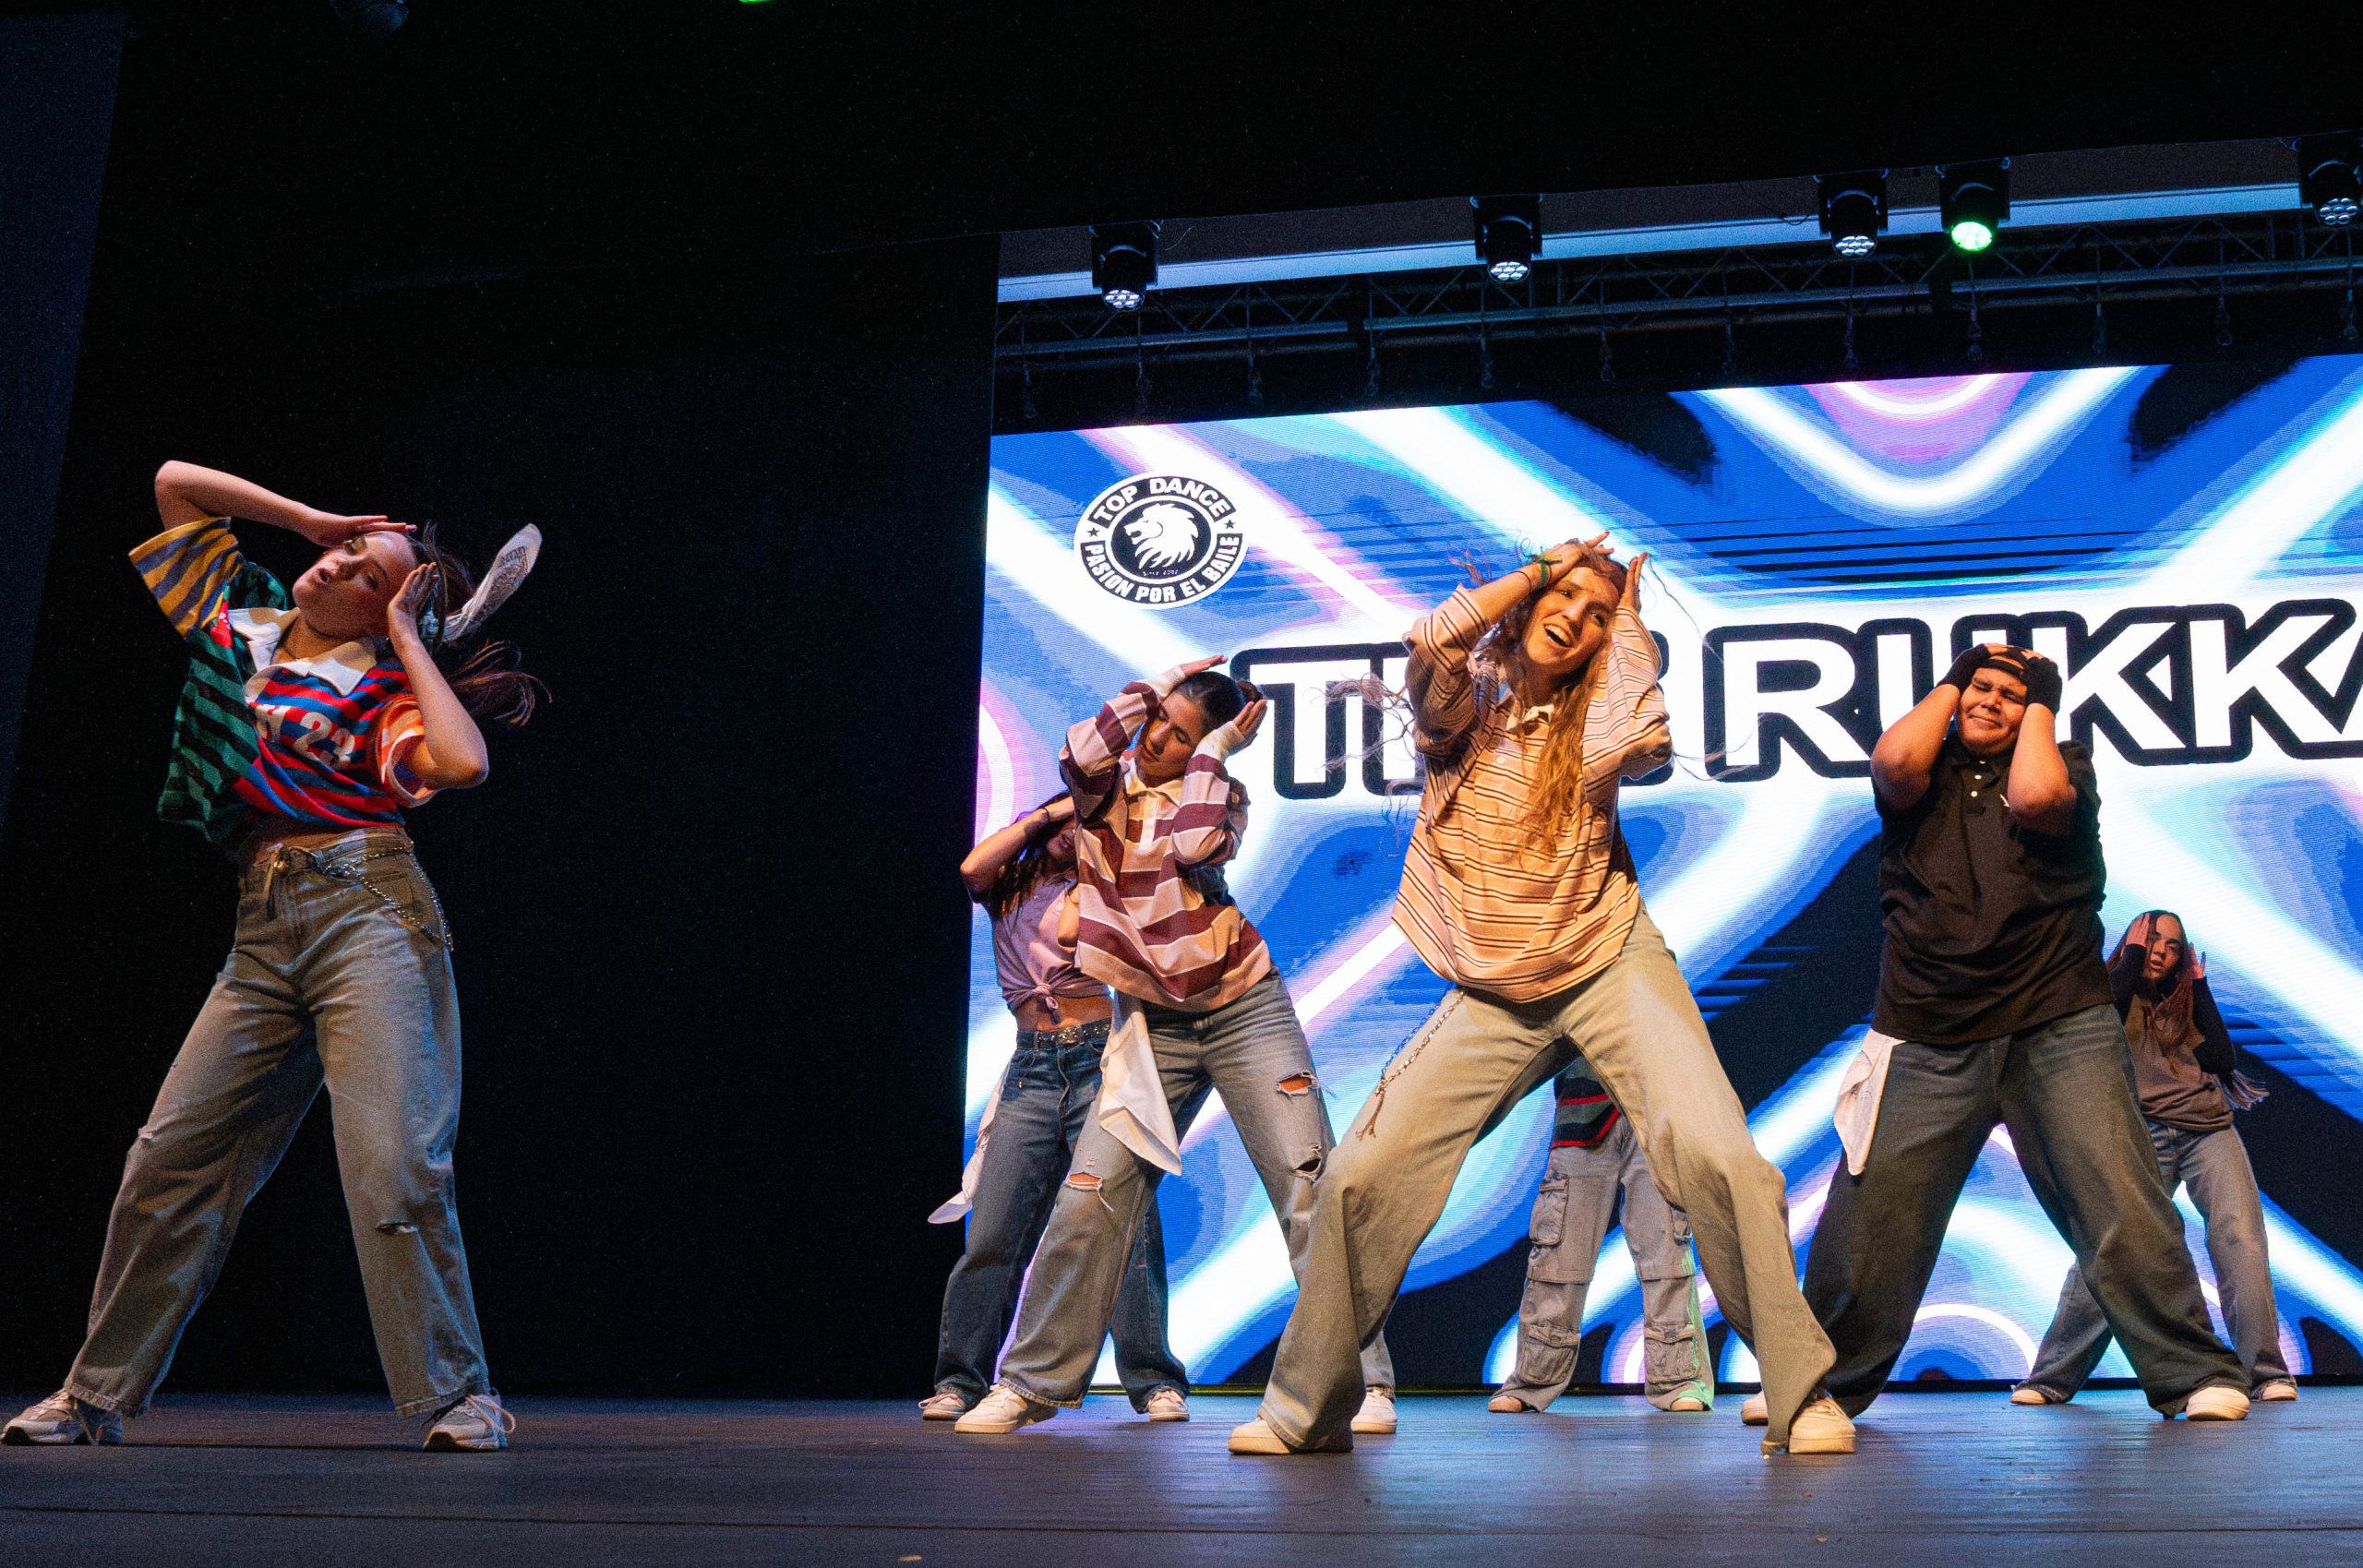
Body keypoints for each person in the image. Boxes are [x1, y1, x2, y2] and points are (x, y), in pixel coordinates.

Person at [1234, 537, 1852, 1457]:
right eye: (1565, 599)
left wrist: (1627, 617)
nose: (1576, 618)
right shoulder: (1465, 707)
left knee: (1719, 1155)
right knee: (1364, 1174)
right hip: (1496, 987)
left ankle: (1801, 1395)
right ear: (1527, 605)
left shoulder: (1595, 713)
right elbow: (1434, 640)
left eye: (1596, 615)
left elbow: (1639, 730)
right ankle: (1304, 1409)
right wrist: (1539, 571)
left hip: (1608, 959)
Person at [4, 461, 541, 1452]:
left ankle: (460, 1394)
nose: (338, 565)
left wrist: (406, 639)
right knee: (167, 1162)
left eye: (368, 575)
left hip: (369, 915)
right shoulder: (238, 618)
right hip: (262, 929)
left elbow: (464, 762)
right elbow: (173, 482)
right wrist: (307, 517)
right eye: (346, 550)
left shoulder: (385, 691)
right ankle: (92, 1393)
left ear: (390, 616)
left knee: (392, 1165)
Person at [1790, 645, 2250, 1427]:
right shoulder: (1922, 775)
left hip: (2057, 1023)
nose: (1991, 700)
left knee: (2122, 1200)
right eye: (1981, 687)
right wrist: (1956, 677)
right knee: (1871, 1220)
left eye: (2012, 694)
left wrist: (2043, 693)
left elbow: (2035, 797)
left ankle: (2195, 1371)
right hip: (1926, 1028)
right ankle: (1817, 1386)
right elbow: (1893, 760)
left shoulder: (2065, 767)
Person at [955, 659, 1394, 1435]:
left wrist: (1213, 753)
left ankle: (1366, 1380)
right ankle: (1028, 1381)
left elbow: (1193, 845)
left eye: (1182, 734)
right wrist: (1152, 688)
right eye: (1160, 722)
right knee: (1089, 1195)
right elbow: (1081, 751)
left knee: (1307, 1188)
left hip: (1245, 1011)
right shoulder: (1103, 797)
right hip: (1154, 1030)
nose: (1159, 739)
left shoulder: (1220, 794)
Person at [920, 794, 1191, 1422]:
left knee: (1125, 1224)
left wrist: (1095, 841)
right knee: (993, 1233)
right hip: (1032, 1068)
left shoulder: (1099, 887)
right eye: (1063, 819)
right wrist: (1047, 817)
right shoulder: (1007, 888)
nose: (1072, 829)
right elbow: (970, 868)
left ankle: (1154, 1380)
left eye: (1083, 820)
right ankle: (960, 1382)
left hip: (1098, 1059)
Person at [2013, 910, 2295, 1405]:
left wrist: (2198, 986)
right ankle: (2050, 1378)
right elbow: (2107, 1017)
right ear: (2133, 941)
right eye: (2153, 939)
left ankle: (2266, 1373)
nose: (2162, 950)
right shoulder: (2103, 991)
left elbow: (2221, 1061)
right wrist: (2133, 958)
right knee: (2115, 1247)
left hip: (2208, 1130)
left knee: (2241, 1240)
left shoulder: (2185, 1000)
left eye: (2173, 945)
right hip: (2142, 1133)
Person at [1487, 1068, 1714, 1416]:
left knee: (1666, 1249)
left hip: (1655, 1104)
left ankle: (1679, 1381)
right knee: (1559, 1251)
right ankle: (1532, 1381)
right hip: (1582, 1104)